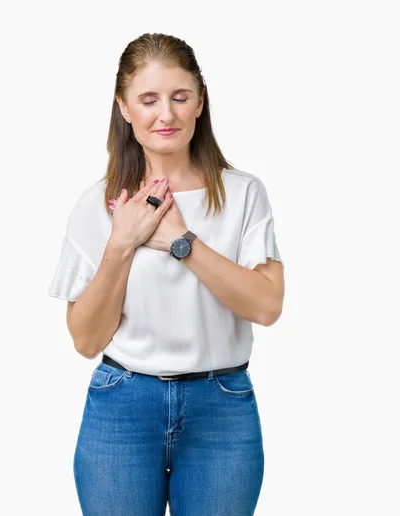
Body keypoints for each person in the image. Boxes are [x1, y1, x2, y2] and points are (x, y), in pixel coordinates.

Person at [48, 32, 285, 516]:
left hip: (222, 406)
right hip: (122, 406)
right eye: (148, 99)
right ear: (124, 108)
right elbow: (86, 341)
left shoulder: (243, 194)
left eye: (180, 97)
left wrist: (182, 243)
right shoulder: (96, 206)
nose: (167, 114)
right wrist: (122, 242)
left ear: (200, 102)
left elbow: (267, 306)